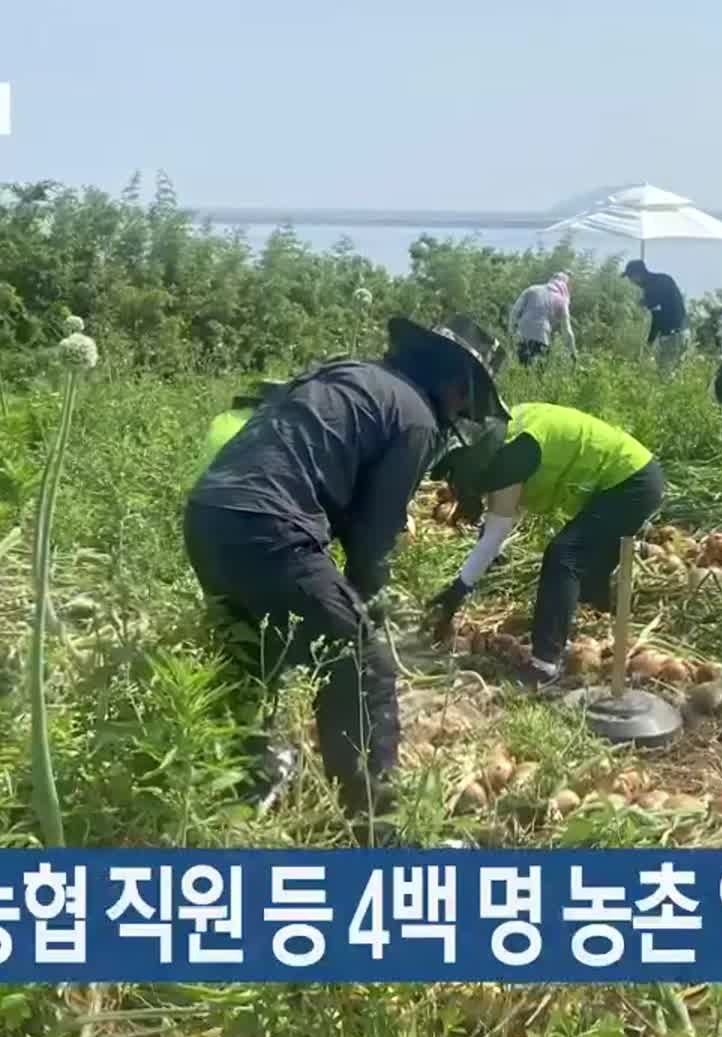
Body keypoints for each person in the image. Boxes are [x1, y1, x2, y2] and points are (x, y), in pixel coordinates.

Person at [182, 317, 504, 835]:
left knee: (252, 652)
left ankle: (244, 786)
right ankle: (374, 827)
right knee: (359, 664)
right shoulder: (417, 416)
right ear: (459, 384)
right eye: (469, 401)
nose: (465, 411)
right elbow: (371, 534)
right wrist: (366, 603)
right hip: (270, 525)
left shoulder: (352, 375)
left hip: (208, 513)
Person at [426, 403, 664, 687]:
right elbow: (497, 525)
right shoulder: (509, 436)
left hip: (631, 481)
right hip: (629, 475)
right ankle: (590, 625)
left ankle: (544, 665)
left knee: (564, 556)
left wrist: (458, 590)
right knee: (587, 570)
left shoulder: (512, 457)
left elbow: (496, 532)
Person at [623, 260, 690, 373]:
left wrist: (649, 342)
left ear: (638, 274)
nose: (631, 281)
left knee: (664, 375)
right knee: (676, 375)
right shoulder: (663, 279)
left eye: (631, 277)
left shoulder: (652, 288)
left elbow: (657, 318)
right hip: (683, 332)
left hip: (672, 336)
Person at [508, 271, 577, 368]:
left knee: (519, 370)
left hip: (521, 336)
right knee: (535, 377)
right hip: (541, 340)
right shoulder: (561, 301)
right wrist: (573, 354)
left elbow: (515, 311)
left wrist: (511, 333)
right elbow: (568, 332)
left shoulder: (532, 289)